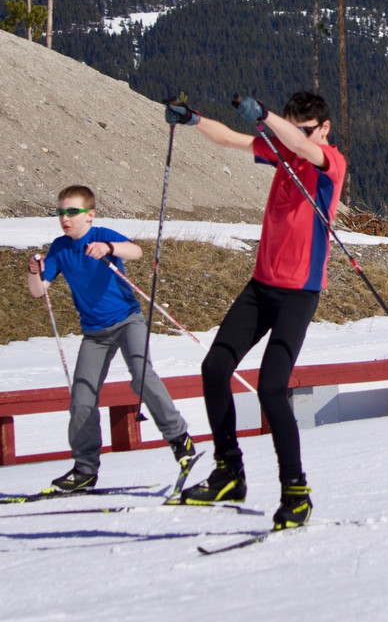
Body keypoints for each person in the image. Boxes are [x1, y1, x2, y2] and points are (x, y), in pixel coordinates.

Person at [165, 92, 345, 530]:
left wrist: (267, 118)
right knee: (215, 367)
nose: (296, 135)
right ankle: (229, 472)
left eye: (305, 129)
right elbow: (231, 140)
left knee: (270, 389)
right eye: (291, 125)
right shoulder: (282, 149)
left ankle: (296, 491)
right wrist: (193, 120)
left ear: (324, 129)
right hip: (261, 286)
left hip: (298, 293)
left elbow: (303, 148)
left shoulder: (329, 161)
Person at [27, 185, 195, 492]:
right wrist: (33, 270)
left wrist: (109, 248)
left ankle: (179, 438)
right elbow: (39, 289)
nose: (66, 218)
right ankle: (85, 469)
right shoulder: (60, 247)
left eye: (72, 211)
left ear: (90, 215)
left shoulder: (100, 234)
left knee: (141, 375)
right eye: (61, 212)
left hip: (127, 321)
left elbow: (137, 251)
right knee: (81, 399)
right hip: (94, 333)